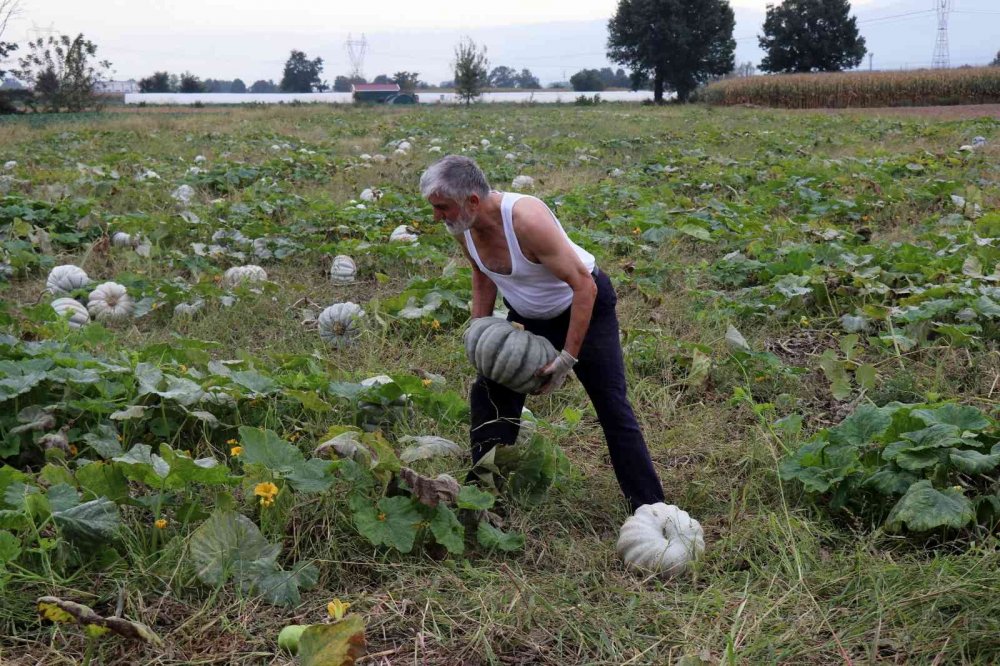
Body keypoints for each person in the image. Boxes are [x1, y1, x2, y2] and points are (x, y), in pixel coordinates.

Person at [419, 155, 664, 513]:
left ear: (472, 200)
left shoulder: (526, 219)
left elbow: (584, 286)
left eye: (442, 208)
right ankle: (485, 494)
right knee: (488, 395)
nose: (437, 217)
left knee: (611, 404)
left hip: (584, 308)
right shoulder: (462, 226)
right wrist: (479, 327)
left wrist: (567, 358)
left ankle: (650, 506)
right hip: (527, 313)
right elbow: (482, 273)